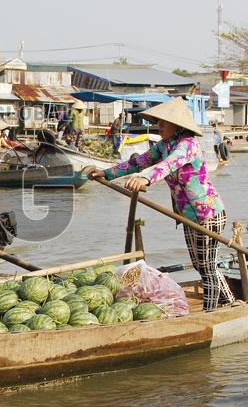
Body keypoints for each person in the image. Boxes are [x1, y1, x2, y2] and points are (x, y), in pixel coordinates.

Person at [87, 97, 234, 311]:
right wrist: (107, 173)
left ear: (177, 125)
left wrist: (145, 179)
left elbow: (167, 166)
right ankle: (228, 300)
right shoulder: (164, 145)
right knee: (200, 264)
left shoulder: (186, 145)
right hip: (187, 216)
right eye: (158, 122)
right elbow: (139, 161)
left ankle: (211, 311)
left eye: (163, 122)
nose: (159, 126)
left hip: (207, 213)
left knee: (207, 268)